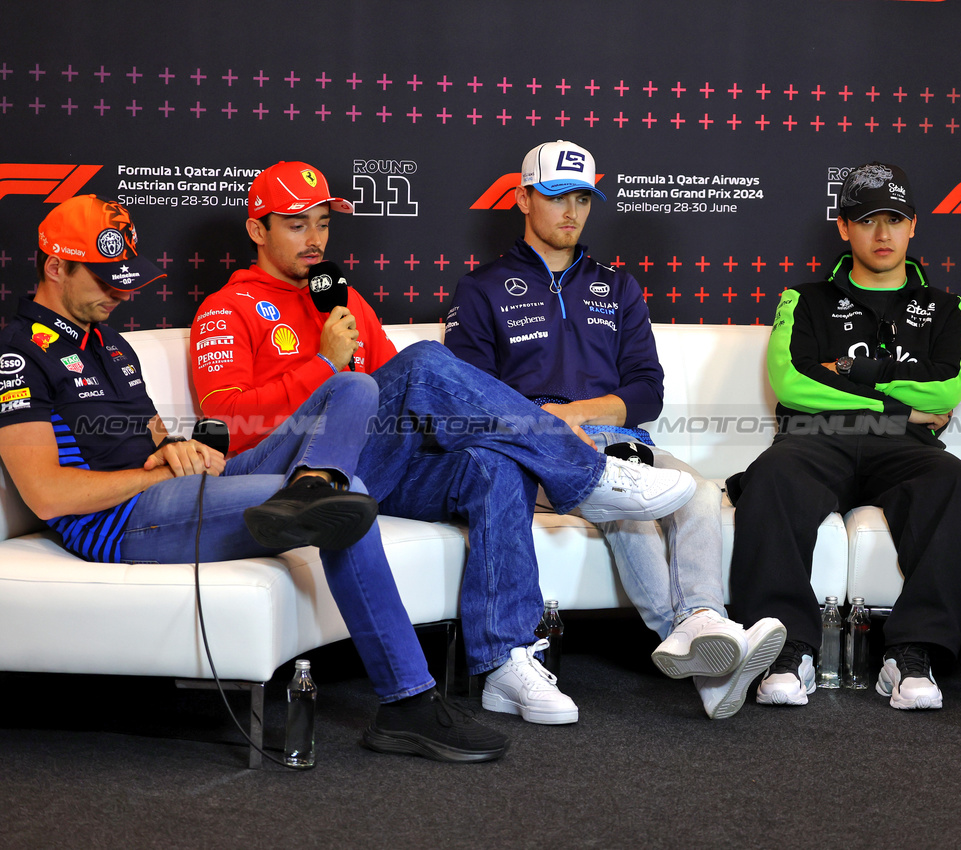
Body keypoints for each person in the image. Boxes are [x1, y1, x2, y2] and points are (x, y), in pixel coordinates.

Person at [0, 194, 513, 762]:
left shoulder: (111, 344)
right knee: (353, 500)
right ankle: (407, 704)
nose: (120, 293)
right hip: (124, 522)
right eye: (104, 279)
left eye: (125, 279)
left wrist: (182, 449)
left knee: (354, 387)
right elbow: (47, 494)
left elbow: (152, 435)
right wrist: (150, 477)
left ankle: (311, 485)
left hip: (182, 487)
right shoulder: (16, 355)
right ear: (54, 267)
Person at [191, 161, 696, 728]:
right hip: (297, 480)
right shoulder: (225, 309)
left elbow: (398, 399)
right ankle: (586, 475)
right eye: (295, 225)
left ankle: (503, 662)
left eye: (323, 224)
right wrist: (322, 365)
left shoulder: (343, 300)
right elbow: (230, 426)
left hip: (375, 466)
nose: (315, 240)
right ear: (257, 230)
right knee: (429, 364)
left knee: (494, 465)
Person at [443, 140, 787, 720]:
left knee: (700, 490)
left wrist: (580, 414)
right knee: (627, 506)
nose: (571, 212)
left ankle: (702, 627)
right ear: (524, 198)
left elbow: (646, 390)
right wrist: (549, 428)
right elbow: (474, 398)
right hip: (538, 455)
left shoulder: (619, 286)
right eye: (556, 197)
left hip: (620, 442)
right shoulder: (482, 289)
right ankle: (706, 648)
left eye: (582, 198)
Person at [726, 161, 961, 711]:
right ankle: (785, 648)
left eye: (894, 219)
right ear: (843, 228)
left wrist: (848, 374)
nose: (882, 234)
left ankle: (912, 653)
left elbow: (944, 393)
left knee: (953, 478)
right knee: (771, 474)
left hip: (906, 452)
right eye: (867, 220)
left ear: (914, 225)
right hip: (819, 439)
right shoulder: (803, 299)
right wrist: (896, 406)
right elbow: (793, 382)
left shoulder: (945, 307)